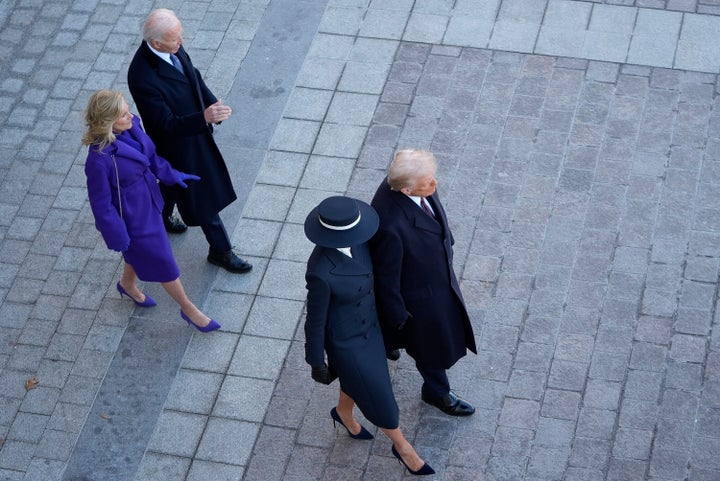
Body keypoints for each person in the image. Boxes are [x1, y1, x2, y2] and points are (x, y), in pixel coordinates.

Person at [304, 196, 434, 476]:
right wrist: (316, 361)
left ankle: (343, 413)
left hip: (371, 331)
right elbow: (314, 320)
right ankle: (402, 447)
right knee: (380, 396)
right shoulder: (320, 272)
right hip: (347, 344)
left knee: (360, 383)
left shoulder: (360, 240)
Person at [82, 89, 220, 333]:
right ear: (107, 122)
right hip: (134, 220)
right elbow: (101, 205)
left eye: (127, 109)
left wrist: (172, 175)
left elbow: (151, 157)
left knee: (141, 253)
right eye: (123, 114)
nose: (131, 116)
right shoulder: (99, 160)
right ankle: (188, 309)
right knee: (164, 262)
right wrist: (117, 236)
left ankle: (127, 284)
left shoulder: (130, 126)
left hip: (150, 203)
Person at [127, 8, 251, 273]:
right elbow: (164, 124)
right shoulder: (142, 76)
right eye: (175, 39)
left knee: (173, 184)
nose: (181, 42)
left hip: (194, 133)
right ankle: (221, 250)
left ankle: (159, 217)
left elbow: (192, 75)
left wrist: (211, 104)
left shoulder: (170, 48)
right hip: (177, 146)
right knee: (200, 194)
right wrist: (203, 117)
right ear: (156, 43)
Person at [370, 149, 477, 416]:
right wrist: (399, 316)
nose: (434, 184)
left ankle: (388, 344)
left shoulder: (416, 183)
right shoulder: (391, 225)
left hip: (433, 279)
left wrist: (445, 239)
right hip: (419, 298)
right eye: (427, 183)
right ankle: (436, 392)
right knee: (428, 346)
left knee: (416, 339)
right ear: (406, 191)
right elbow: (387, 278)